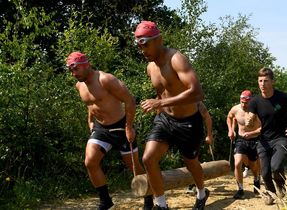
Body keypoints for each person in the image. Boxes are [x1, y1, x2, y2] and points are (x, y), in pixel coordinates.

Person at [134, 20, 210, 210]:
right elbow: (164, 93)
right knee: (148, 158)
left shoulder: (176, 59)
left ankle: (201, 192)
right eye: (140, 47)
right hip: (165, 120)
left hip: (188, 122)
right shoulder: (150, 67)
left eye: (147, 45)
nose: (143, 51)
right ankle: (161, 204)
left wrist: (160, 103)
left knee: (191, 162)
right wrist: (158, 105)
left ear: (159, 39)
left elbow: (197, 93)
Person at [65, 51, 153, 210]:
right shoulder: (79, 85)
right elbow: (91, 104)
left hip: (121, 127)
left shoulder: (106, 80)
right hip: (101, 129)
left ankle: (149, 198)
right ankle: (106, 201)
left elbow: (130, 101)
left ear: (86, 65)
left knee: (134, 167)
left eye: (76, 69)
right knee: (90, 162)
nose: (73, 74)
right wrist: (90, 120)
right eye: (71, 70)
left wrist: (129, 126)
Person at [246, 67, 287, 205]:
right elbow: (251, 116)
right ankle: (270, 193)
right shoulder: (255, 101)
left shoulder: (282, 97)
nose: (262, 84)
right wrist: (249, 120)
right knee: (264, 173)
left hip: (280, 138)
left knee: (276, 167)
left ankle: (281, 186)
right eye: (260, 81)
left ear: (272, 82)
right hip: (263, 140)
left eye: (265, 81)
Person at [227, 90, 262, 199]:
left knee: (253, 165)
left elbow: (264, 128)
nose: (243, 105)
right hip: (241, 139)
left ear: (250, 102)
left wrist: (252, 133)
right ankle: (240, 190)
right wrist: (231, 130)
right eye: (242, 102)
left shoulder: (258, 111)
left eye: (246, 103)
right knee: (237, 163)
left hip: (255, 140)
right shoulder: (236, 109)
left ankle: (256, 178)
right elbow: (229, 117)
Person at [186, 101, 214, 194]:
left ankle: (196, 187)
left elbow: (207, 117)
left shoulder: (197, 103)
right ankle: (192, 184)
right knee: (188, 161)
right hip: (182, 135)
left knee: (194, 161)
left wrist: (209, 135)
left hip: (194, 135)